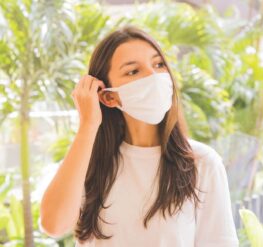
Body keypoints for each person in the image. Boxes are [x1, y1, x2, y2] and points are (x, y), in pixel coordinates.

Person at [39, 25, 239, 247]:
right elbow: (54, 224)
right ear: (108, 98)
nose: (153, 76)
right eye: (133, 71)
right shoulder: (88, 162)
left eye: (158, 64)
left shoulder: (202, 163)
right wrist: (88, 124)